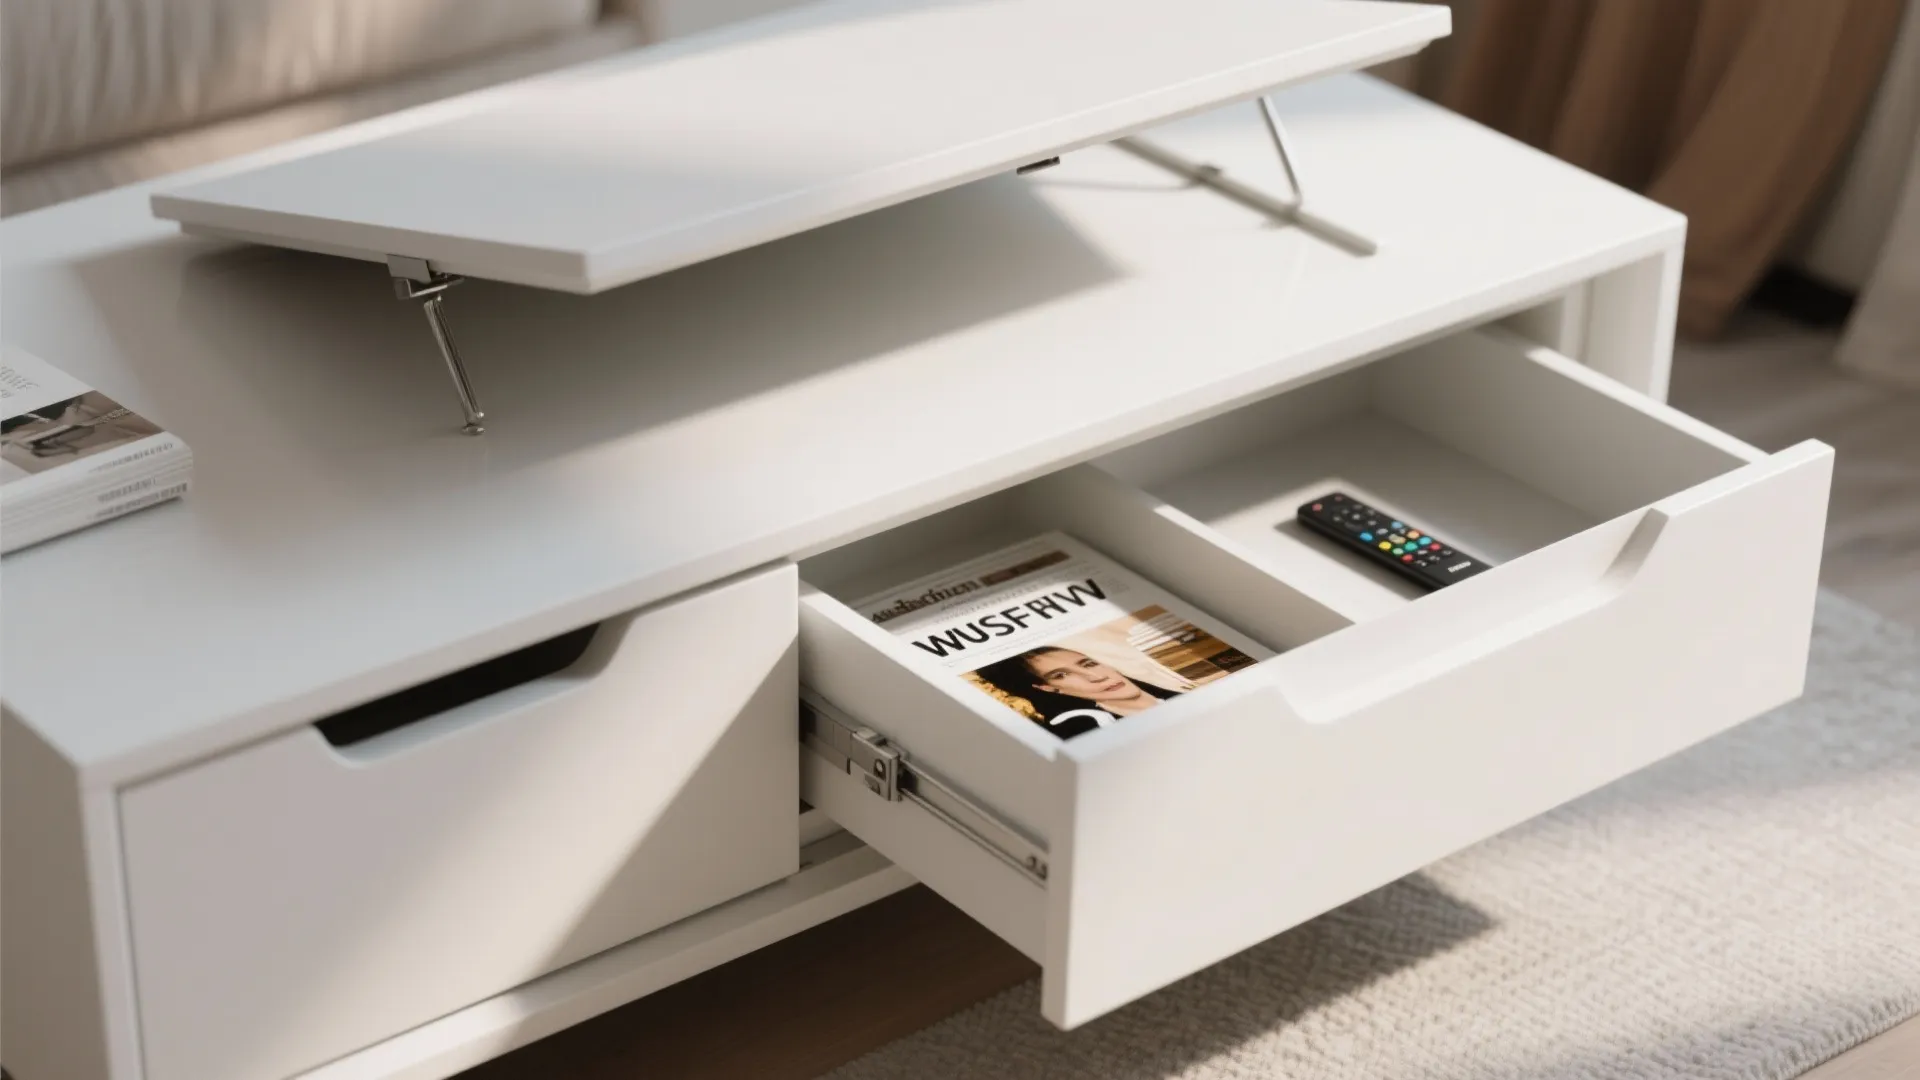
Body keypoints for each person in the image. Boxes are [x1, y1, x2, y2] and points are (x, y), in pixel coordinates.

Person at [970, 646, 1182, 737]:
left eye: (1089, 664)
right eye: (1061, 675)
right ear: (1048, 687)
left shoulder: (1182, 693)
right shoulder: (1088, 729)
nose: (1096, 677)